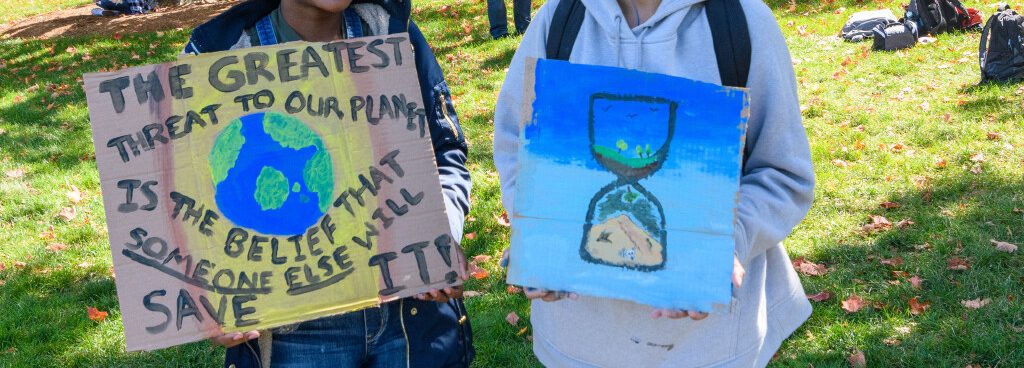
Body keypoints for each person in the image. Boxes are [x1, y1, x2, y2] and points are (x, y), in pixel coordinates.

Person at [493, 0, 814, 366]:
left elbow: (783, 173)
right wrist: (540, 232)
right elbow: (515, 144)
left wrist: (729, 243)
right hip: (576, 342)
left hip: (709, 347)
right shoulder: (561, 17)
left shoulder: (741, 21)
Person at [183, 0, 474, 367]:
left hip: (411, 320)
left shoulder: (392, 33)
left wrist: (440, 230)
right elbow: (181, 204)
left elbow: (445, 149)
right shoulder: (216, 54)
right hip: (294, 332)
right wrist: (206, 301)